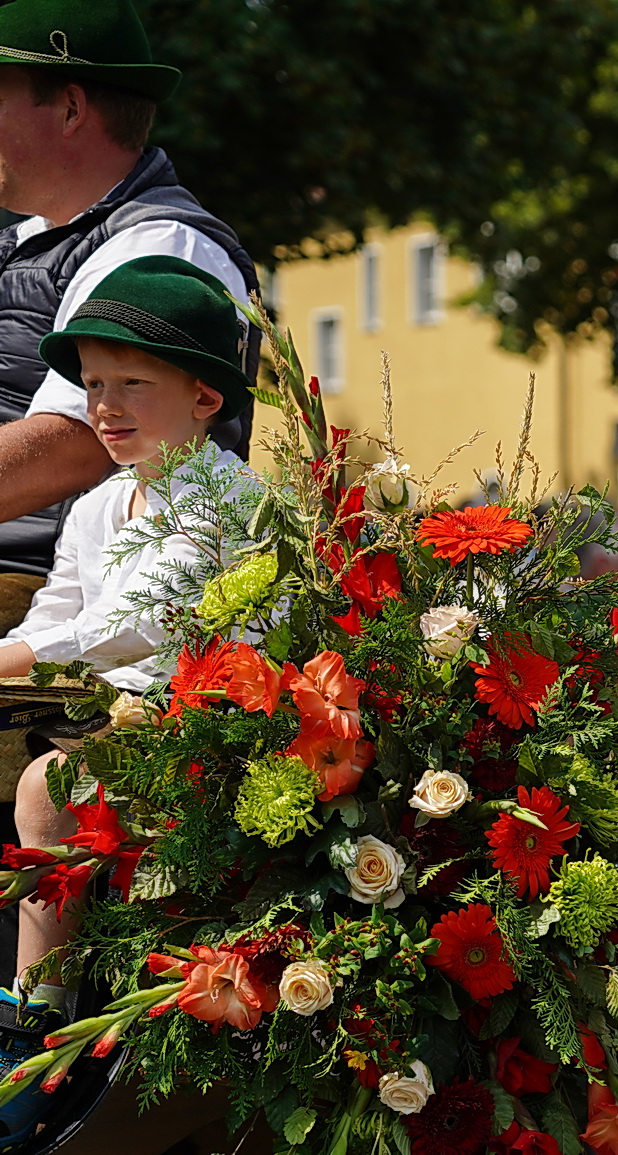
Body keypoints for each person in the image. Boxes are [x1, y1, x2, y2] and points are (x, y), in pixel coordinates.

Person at [0, 256, 253, 1144]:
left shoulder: (227, 496)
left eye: (131, 383)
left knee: (46, 789)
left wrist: (19, 656)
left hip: (231, 728)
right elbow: (58, 608)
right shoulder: (103, 502)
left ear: (205, 398)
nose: (103, 405)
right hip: (126, 719)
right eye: (94, 383)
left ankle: (37, 1026)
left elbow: (129, 622)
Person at [0, 0, 259, 635]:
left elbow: (82, 444)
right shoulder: (30, 239)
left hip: (54, 603)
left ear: (69, 108)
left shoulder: (160, 247)